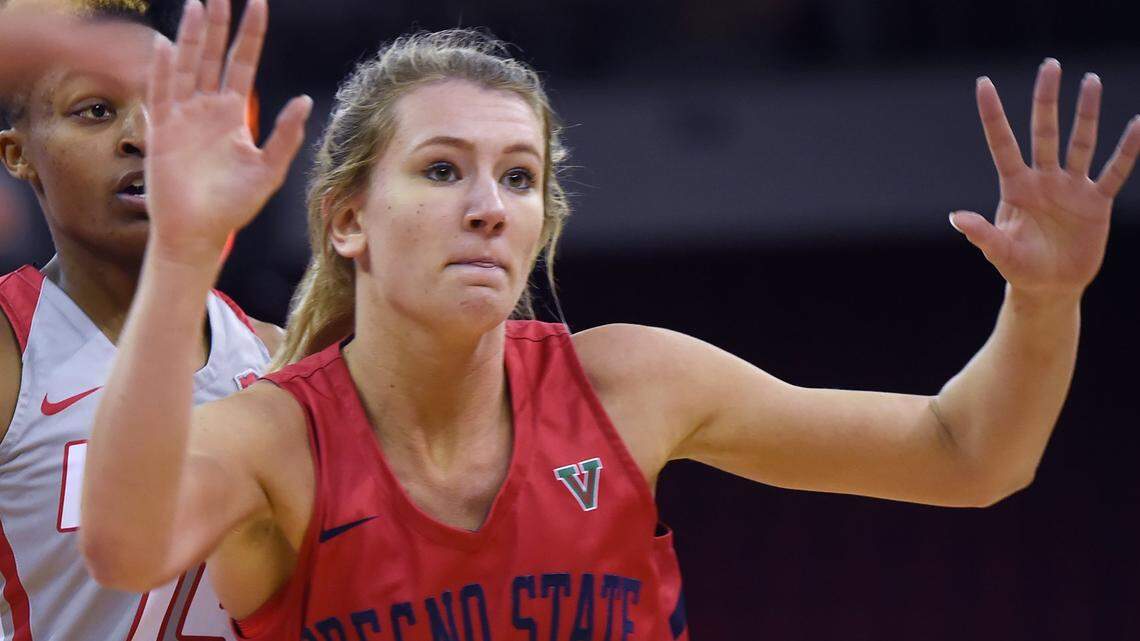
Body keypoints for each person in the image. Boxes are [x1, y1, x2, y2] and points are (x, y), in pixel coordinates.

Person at [81, 0, 1140, 638]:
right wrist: (180, 252)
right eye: (443, 170)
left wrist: (1043, 301)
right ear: (347, 219)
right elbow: (124, 548)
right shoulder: (279, 440)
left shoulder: (631, 383)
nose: (489, 205)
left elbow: (969, 453)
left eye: (520, 176)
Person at [0, 0, 282, 638]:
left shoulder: (275, 356)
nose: (145, 135)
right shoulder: (11, 353)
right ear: (18, 155)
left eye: (171, 104)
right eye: (96, 111)